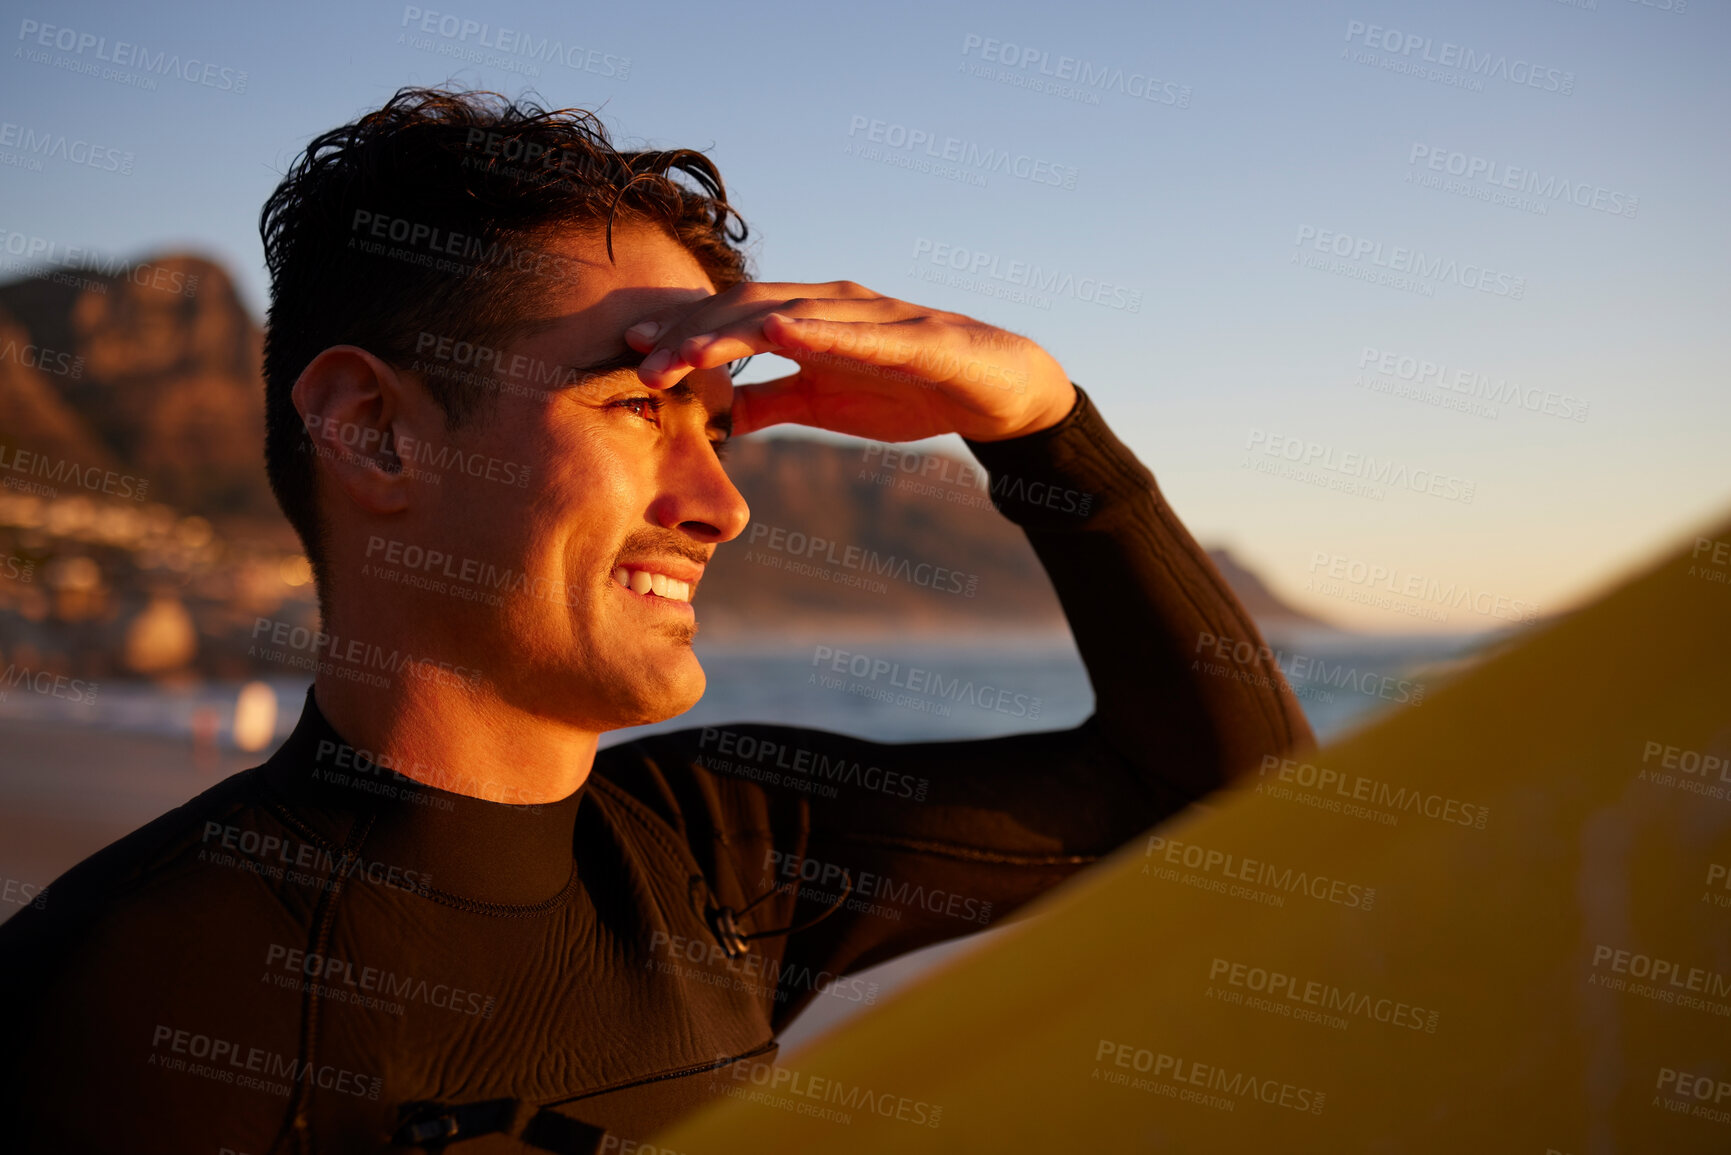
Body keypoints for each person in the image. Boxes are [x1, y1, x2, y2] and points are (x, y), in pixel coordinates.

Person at [0, 87, 1313, 1153]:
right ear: (377, 431)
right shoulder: (123, 996)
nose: (721, 508)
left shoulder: (714, 852)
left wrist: (1038, 424)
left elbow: (1229, 801)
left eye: (722, 431)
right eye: (638, 407)